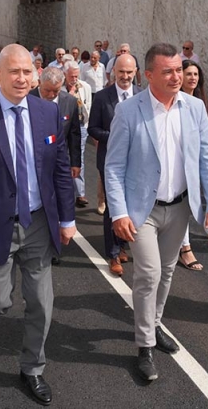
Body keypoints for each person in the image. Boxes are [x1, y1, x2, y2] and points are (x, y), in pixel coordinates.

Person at [0, 44, 76, 406]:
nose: (21, 78)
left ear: (36, 75)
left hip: (38, 223)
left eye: (27, 72)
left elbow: (60, 170)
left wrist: (67, 219)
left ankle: (32, 368)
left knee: (41, 302)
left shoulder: (48, 113)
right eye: (13, 72)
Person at [104, 43, 208, 381]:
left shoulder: (195, 107)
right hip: (142, 211)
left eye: (179, 70)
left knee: (168, 271)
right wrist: (118, 213)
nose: (177, 77)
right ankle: (144, 346)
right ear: (150, 75)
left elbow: (207, 159)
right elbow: (113, 167)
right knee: (149, 274)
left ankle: (154, 325)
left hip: (181, 206)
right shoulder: (129, 111)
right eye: (168, 71)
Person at [87, 54, 142, 276]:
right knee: (112, 206)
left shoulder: (143, 96)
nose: (126, 76)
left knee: (129, 205)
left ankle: (121, 244)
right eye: (121, 72)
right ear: (113, 73)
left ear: (135, 72)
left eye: (130, 72)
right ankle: (112, 254)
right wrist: (118, 136)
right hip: (110, 161)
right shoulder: (101, 97)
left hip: (137, 163)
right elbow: (93, 129)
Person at [178, 59, 208, 271]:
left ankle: (183, 245)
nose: (193, 78)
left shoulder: (198, 104)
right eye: (189, 74)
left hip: (193, 163)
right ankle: (185, 248)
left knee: (186, 206)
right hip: (174, 163)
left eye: (196, 75)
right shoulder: (174, 102)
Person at [64, 61, 92, 208]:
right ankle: (66, 190)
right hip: (63, 127)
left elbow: (89, 106)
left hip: (80, 126)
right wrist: (69, 95)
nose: (74, 79)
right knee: (64, 157)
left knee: (77, 156)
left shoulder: (85, 87)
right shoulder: (60, 88)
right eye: (71, 76)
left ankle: (80, 193)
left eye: (76, 76)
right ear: (65, 75)